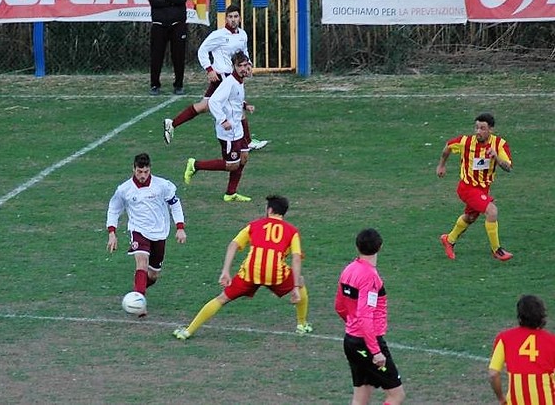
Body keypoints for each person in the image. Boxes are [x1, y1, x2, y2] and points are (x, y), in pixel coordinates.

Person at [173, 194, 311, 339]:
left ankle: (188, 331)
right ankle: (301, 325)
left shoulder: (254, 225)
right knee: (300, 282)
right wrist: (294, 287)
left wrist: (225, 271)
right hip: (275, 273)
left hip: (251, 271)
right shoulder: (292, 231)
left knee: (222, 298)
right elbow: (296, 258)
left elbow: (233, 245)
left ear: (269, 210)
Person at [162, 4, 268, 150]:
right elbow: (202, 51)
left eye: (236, 16)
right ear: (226, 18)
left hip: (230, 78)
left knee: (204, 106)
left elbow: (244, 52)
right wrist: (209, 70)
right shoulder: (218, 35)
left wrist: (248, 65)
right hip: (223, 77)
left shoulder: (243, 35)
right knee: (238, 107)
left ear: (240, 18)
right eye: (230, 17)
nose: (233, 20)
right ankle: (247, 142)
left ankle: (172, 123)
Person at [107, 152, 186, 312]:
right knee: (141, 262)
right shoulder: (124, 189)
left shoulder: (162, 185)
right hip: (138, 231)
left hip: (160, 232)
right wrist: (112, 232)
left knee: (153, 275)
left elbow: (175, 204)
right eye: (139, 172)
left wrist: (180, 227)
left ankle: (138, 289)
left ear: (150, 169)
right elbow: (114, 210)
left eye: (146, 172)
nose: (142, 175)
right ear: (133, 169)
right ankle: (139, 304)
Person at [335, 228, 405, 405]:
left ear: (357, 246)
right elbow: (365, 316)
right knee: (396, 395)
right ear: (380, 247)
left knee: (361, 397)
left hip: (351, 340)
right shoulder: (370, 277)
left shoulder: (348, 270)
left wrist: (352, 324)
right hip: (367, 342)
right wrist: (376, 351)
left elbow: (339, 307)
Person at [436, 112, 513, 261]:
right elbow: (448, 147)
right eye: (476, 128)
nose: (478, 132)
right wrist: (441, 165)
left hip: (483, 189)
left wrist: (496, 157)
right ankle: (497, 250)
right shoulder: (465, 142)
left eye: (482, 128)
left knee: (470, 217)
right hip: (467, 187)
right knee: (492, 211)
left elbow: (508, 168)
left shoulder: (499, 144)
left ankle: (449, 240)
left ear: (490, 129)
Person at [183, 50, 254, 202]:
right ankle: (195, 165)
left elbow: (233, 101)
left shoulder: (240, 82)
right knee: (231, 165)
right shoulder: (228, 83)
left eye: (245, 65)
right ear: (233, 66)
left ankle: (230, 193)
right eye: (239, 65)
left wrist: (245, 105)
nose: (243, 68)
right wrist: (222, 120)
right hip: (228, 131)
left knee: (244, 156)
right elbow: (214, 102)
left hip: (238, 128)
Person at [488, 295, 555, 405]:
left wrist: (501, 398)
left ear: (520, 315)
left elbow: (493, 374)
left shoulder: (504, 338)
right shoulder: (552, 341)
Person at [147, 0, 188, 96]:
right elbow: (153, 1)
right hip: (159, 24)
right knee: (156, 55)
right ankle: (154, 85)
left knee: (178, 56)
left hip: (178, 24)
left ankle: (178, 85)